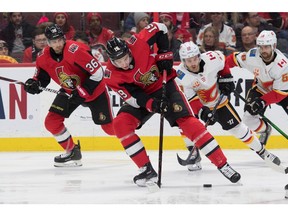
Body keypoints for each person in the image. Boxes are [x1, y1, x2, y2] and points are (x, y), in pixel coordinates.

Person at [104, 22, 241, 188]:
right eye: (118, 62)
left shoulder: (137, 43)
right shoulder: (111, 75)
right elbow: (133, 98)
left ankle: (222, 164)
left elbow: (160, 27)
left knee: (188, 123)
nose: (124, 64)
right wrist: (151, 104)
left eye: (125, 58)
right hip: (142, 98)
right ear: (111, 60)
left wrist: (164, 53)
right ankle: (146, 169)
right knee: (120, 124)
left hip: (164, 85)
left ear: (128, 50)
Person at [175, 41, 281, 171]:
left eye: (195, 58)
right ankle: (194, 152)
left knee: (239, 129)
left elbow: (223, 63)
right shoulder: (180, 75)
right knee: (185, 124)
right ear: (183, 61)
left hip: (219, 101)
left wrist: (226, 78)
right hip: (198, 105)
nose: (193, 63)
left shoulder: (212, 58)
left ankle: (264, 152)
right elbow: (191, 99)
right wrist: (203, 112)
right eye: (188, 60)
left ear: (199, 55)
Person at [23, 24, 114, 167]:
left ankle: (133, 121)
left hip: (95, 91)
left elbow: (97, 73)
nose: (58, 44)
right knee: (52, 122)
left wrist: (83, 91)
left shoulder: (76, 49)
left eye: (60, 40)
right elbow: (42, 78)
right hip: (70, 92)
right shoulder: (42, 57)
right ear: (48, 42)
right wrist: (34, 84)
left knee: (110, 129)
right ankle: (72, 151)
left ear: (64, 38)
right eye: (53, 41)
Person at [226, 30, 288, 146]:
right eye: (261, 47)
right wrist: (221, 72)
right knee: (248, 120)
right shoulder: (252, 55)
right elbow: (232, 59)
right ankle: (265, 130)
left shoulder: (283, 65)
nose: (263, 50)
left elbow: (279, 93)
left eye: (266, 47)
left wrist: (262, 102)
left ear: (274, 46)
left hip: (284, 92)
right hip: (261, 89)